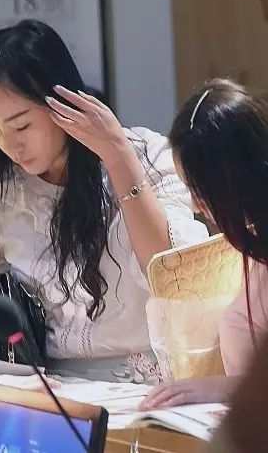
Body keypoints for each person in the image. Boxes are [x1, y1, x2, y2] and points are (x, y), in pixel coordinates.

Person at [0, 19, 208, 382]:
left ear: (63, 101)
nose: (11, 145)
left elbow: (172, 275)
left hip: (148, 383)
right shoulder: (6, 194)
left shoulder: (147, 157)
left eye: (21, 125)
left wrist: (117, 156)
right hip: (50, 386)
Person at [138, 78, 268, 410]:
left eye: (200, 190)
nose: (196, 206)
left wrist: (229, 388)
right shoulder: (252, 244)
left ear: (231, 179)